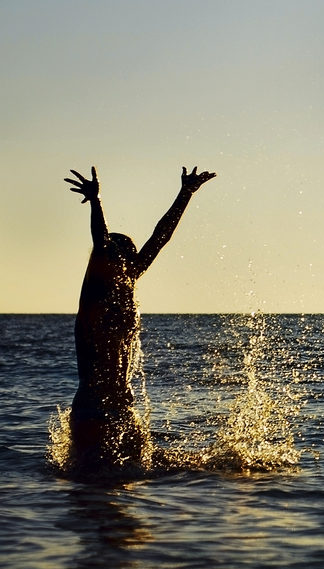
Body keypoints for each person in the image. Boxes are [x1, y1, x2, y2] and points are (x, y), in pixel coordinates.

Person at [64, 165, 216, 469]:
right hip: (92, 409)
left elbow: (160, 237)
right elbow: (102, 239)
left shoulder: (128, 281)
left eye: (133, 254)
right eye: (125, 252)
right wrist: (95, 201)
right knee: (93, 491)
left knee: (140, 480)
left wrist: (185, 194)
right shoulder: (96, 292)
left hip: (123, 407)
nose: (133, 258)